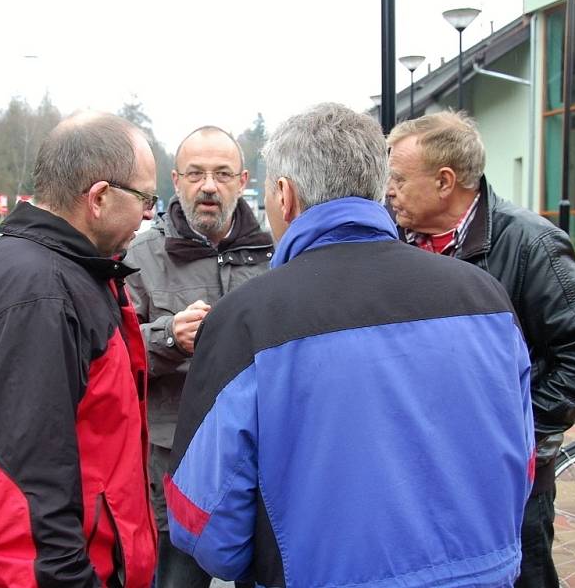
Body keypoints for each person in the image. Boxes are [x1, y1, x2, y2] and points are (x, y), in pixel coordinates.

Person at [166, 103, 536, 587]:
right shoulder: (483, 295)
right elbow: (521, 459)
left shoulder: (249, 319)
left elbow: (204, 523)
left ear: (284, 194)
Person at [386, 110, 575, 587]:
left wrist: (510, 433)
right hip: (419, 472)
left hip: (507, 484)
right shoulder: (392, 239)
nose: (387, 190)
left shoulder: (531, 245)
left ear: (446, 181)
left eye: (399, 179)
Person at [0, 112, 158, 588]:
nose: (150, 213)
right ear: (100, 198)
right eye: (145, 197)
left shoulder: (63, 270)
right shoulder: (40, 288)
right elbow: (25, 490)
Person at [124, 125, 273, 588]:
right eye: (196, 173)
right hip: (175, 467)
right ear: (176, 178)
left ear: (242, 178)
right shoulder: (141, 253)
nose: (209, 185)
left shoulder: (275, 251)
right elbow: (113, 349)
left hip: (261, 462)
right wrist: (168, 337)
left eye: (222, 173)